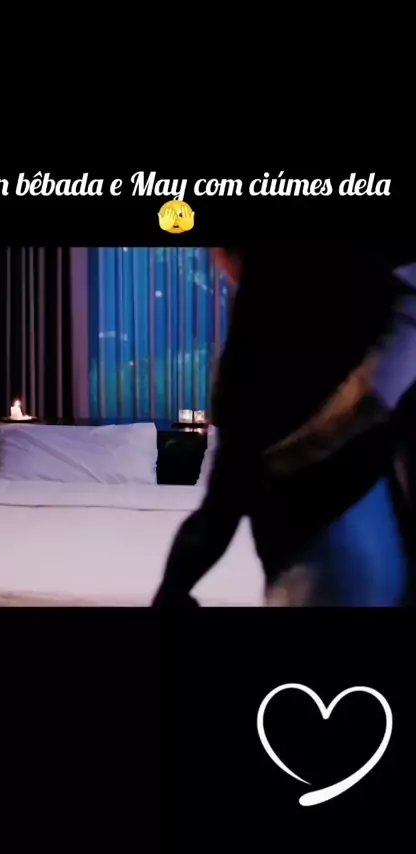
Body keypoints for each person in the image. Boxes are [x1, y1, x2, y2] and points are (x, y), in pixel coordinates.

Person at [152, 242, 416, 607]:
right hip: (373, 526)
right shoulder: (375, 304)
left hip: (322, 545)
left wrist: (175, 586)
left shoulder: (271, 326)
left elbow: (230, 482)